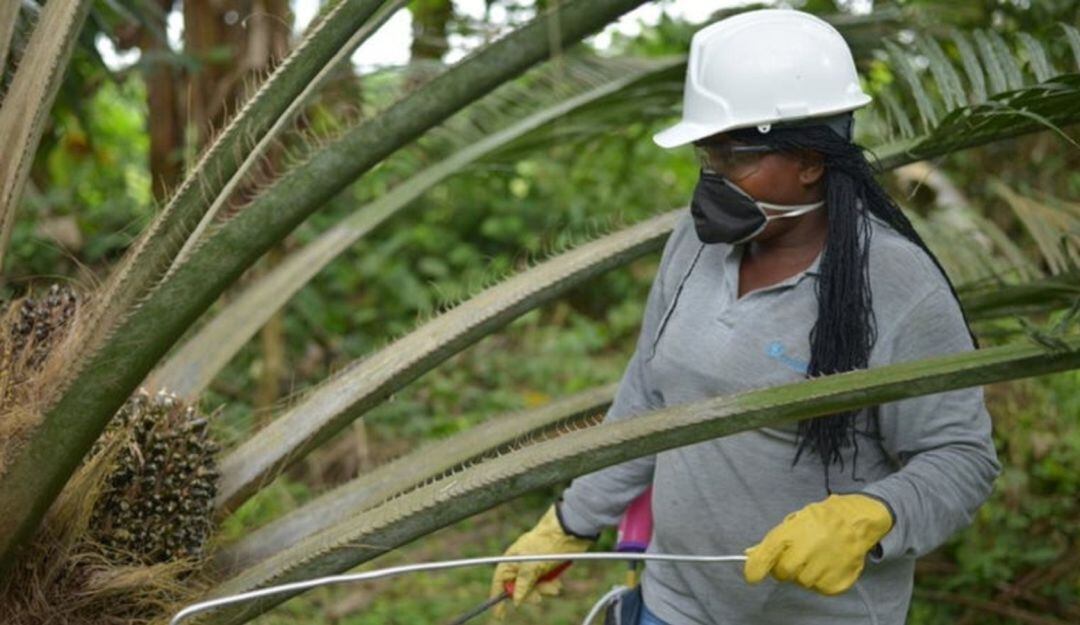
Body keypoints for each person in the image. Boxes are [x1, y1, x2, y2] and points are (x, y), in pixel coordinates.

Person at [489, 9, 1000, 625]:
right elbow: (648, 397)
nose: (712, 178)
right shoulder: (694, 244)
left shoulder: (896, 285)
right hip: (671, 605)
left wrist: (874, 516)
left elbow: (961, 459)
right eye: (707, 154)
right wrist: (571, 520)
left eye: (733, 157)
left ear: (810, 160)